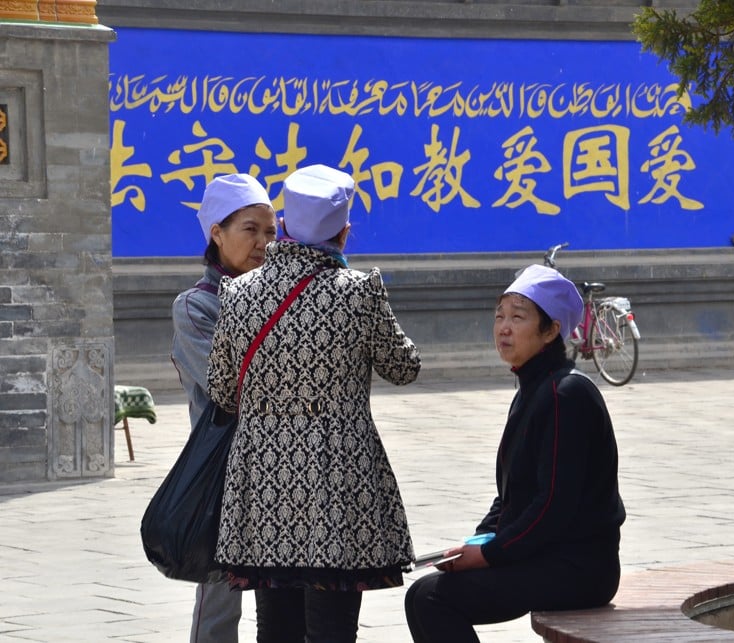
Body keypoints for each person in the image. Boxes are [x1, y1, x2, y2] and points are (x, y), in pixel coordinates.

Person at [206, 163, 422, 643]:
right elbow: (404, 367)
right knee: (332, 628)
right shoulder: (360, 292)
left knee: (274, 628)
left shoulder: (238, 293)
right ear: (345, 233)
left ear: (282, 225)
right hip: (338, 482)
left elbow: (221, 390)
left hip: (263, 484)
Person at [404, 264, 626, 643]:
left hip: (577, 566)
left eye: (518, 317)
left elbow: (552, 505)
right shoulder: (535, 387)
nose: (503, 328)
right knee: (427, 592)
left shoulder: (565, 395)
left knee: (430, 599)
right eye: (499, 316)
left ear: (551, 330)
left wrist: (492, 553)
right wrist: (475, 543)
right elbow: (511, 497)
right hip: (545, 553)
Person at [170, 172, 277, 643]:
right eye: (250, 229)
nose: (263, 243)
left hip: (282, 463)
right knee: (219, 598)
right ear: (217, 233)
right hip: (224, 468)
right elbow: (235, 388)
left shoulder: (284, 300)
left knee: (286, 596)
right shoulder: (196, 307)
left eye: (271, 231)